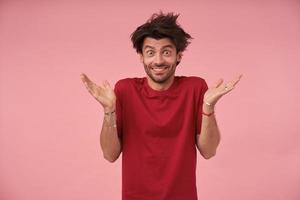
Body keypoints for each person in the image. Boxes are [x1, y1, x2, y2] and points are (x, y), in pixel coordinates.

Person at [80, 12, 242, 200]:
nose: (158, 61)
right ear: (141, 56)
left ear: (178, 55)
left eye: (166, 52)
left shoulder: (195, 88)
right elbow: (110, 154)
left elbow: (209, 151)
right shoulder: (125, 90)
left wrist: (208, 106)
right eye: (150, 52)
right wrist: (108, 110)